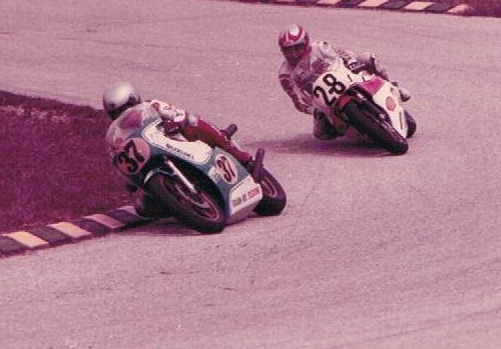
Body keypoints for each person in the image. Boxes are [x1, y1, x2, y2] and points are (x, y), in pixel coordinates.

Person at [102, 81, 264, 218]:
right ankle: (179, 202)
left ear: (135, 100)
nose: (124, 113)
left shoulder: (152, 106)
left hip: (178, 143)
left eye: (127, 107)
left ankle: (241, 157)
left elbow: (178, 114)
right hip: (153, 161)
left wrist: (176, 122)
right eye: (117, 112)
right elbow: (121, 158)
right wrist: (130, 180)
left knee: (193, 122)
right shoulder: (119, 133)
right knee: (143, 207)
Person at [277, 24, 415, 139]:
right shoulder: (285, 74)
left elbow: (342, 53)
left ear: (306, 43)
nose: (293, 53)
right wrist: (313, 110)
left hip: (344, 75)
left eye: (297, 48)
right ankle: (354, 127)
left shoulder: (320, 47)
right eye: (288, 50)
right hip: (323, 100)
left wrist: (352, 62)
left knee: (368, 58)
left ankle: (392, 87)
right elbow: (297, 101)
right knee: (321, 134)